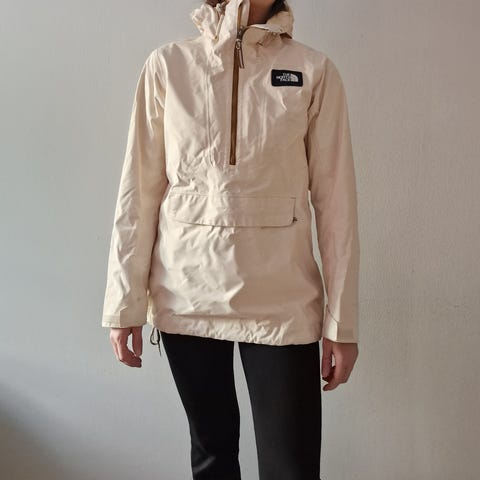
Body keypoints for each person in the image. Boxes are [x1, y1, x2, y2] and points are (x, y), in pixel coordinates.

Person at [101, 0, 360, 478]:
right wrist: (123, 305)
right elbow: (138, 192)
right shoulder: (168, 66)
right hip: (187, 292)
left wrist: (341, 324)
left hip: (283, 301)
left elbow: (336, 204)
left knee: (292, 467)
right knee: (212, 456)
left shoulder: (312, 71)